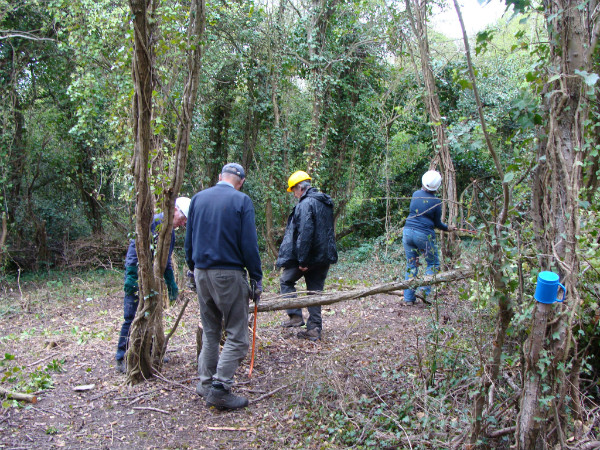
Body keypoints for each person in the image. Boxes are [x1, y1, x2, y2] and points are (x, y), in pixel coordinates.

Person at [185, 163, 262, 411]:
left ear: (220, 177)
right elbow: (249, 244)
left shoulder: (198, 199)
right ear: (240, 182)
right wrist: (256, 277)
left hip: (201, 272)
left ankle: (205, 384)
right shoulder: (242, 201)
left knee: (211, 332)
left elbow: (189, 239)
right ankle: (220, 389)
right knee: (238, 336)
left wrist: (192, 269)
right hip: (228, 274)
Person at [115, 196, 191, 373]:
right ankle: (121, 357)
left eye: (186, 220)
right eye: (183, 218)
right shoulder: (154, 223)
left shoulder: (169, 230)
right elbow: (136, 249)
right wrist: (132, 276)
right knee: (132, 316)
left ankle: (149, 352)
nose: (183, 223)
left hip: (153, 278)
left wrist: (171, 285)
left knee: (151, 315)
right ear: (174, 210)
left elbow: (165, 261)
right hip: (138, 274)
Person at [276, 170, 338, 342]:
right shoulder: (325, 202)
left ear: (300, 187)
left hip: (308, 257)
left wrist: (303, 260)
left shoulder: (305, 204)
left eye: (294, 191)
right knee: (315, 290)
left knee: (286, 281)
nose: (294, 195)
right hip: (323, 256)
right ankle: (314, 328)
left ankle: (295, 317)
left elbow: (305, 233)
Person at [402, 170, 455, 305]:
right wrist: (448, 228)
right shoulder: (436, 202)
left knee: (411, 264)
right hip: (423, 235)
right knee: (433, 263)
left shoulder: (416, 195)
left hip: (408, 232)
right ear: (437, 186)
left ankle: (408, 298)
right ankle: (423, 292)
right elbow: (437, 224)